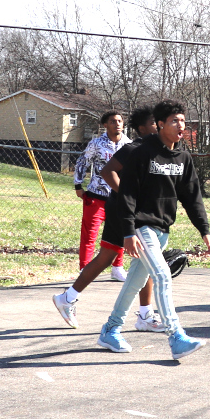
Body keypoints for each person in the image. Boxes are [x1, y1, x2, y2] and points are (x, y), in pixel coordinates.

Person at [95, 99, 210, 360]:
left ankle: (110, 329)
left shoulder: (182, 157)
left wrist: (204, 229)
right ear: (160, 124)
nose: (181, 125)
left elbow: (192, 196)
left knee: (135, 281)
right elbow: (127, 193)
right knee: (162, 275)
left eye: (183, 120)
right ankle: (176, 337)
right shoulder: (141, 152)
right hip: (141, 226)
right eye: (174, 121)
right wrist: (128, 232)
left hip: (162, 229)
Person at [52, 107, 162, 332]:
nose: (159, 126)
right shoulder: (135, 148)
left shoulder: (140, 146)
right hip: (121, 205)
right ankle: (144, 315)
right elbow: (106, 171)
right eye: (155, 123)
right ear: (144, 128)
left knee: (108, 257)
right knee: (147, 259)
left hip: (121, 205)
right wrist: (81, 185)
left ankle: (68, 297)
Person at [72, 110, 130, 280]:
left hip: (118, 196)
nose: (117, 124)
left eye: (120, 121)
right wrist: (78, 184)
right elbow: (83, 161)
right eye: (113, 121)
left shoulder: (129, 144)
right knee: (90, 234)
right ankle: (85, 268)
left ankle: (117, 267)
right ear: (105, 125)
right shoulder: (96, 143)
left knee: (119, 233)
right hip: (96, 196)